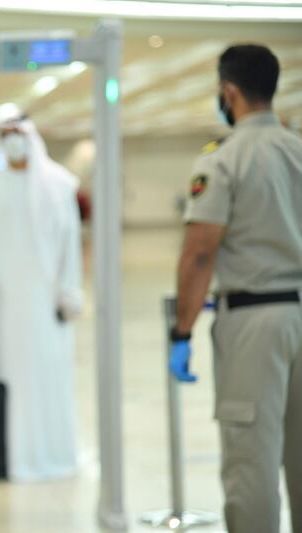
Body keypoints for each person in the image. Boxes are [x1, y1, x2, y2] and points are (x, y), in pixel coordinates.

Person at [171, 44, 302, 533]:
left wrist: (181, 332)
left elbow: (200, 251)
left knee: (252, 462)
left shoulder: (224, 159)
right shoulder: (296, 149)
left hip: (255, 323)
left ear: (229, 91)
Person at [0, 114, 84, 482]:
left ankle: (52, 455)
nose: (13, 141)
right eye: (6, 135)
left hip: (47, 308)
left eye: (19, 133)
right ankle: (7, 459)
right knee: (8, 381)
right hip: (3, 308)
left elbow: (71, 246)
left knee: (48, 379)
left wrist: (68, 291)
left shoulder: (60, 184)